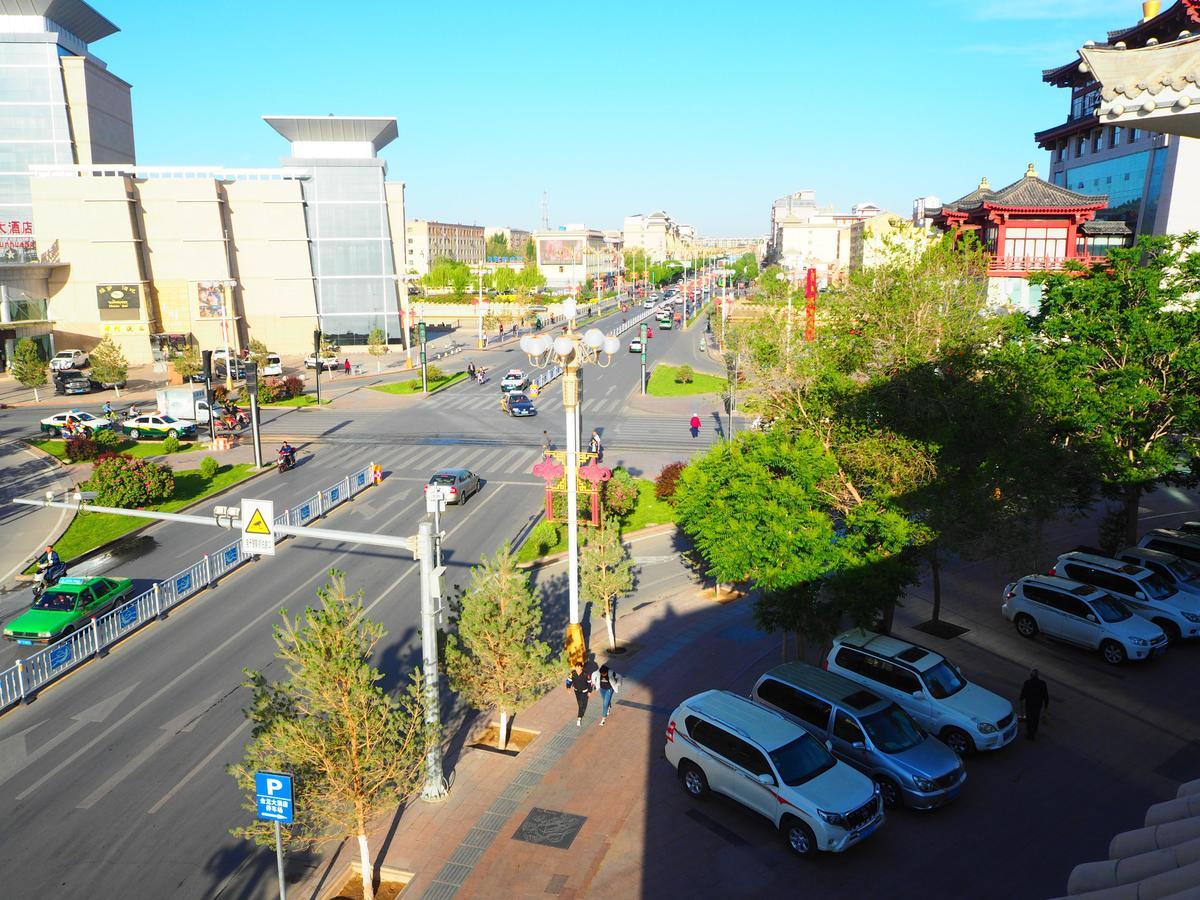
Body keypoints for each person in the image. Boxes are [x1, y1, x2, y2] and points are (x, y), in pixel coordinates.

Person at [1019, 669, 1050, 740]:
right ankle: (1034, 731)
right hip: (1038, 705)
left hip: (1029, 704)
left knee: (1029, 719)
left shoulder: (1027, 683)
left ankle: (1030, 734)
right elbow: (1046, 696)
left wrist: (1021, 698)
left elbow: (1023, 693)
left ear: (1030, 675)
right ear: (1038, 675)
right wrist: (1046, 706)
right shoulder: (1043, 683)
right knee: (1036, 718)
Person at [565, 661, 591, 727]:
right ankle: (581, 710)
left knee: (581, 704)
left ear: (582, 668)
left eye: (579, 668)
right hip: (576, 691)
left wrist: (589, 691)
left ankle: (579, 718)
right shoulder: (572, 673)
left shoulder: (586, 674)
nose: (578, 669)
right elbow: (568, 681)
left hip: (584, 691)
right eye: (576, 668)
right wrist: (568, 688)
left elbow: (589, 683)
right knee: (579, 702)